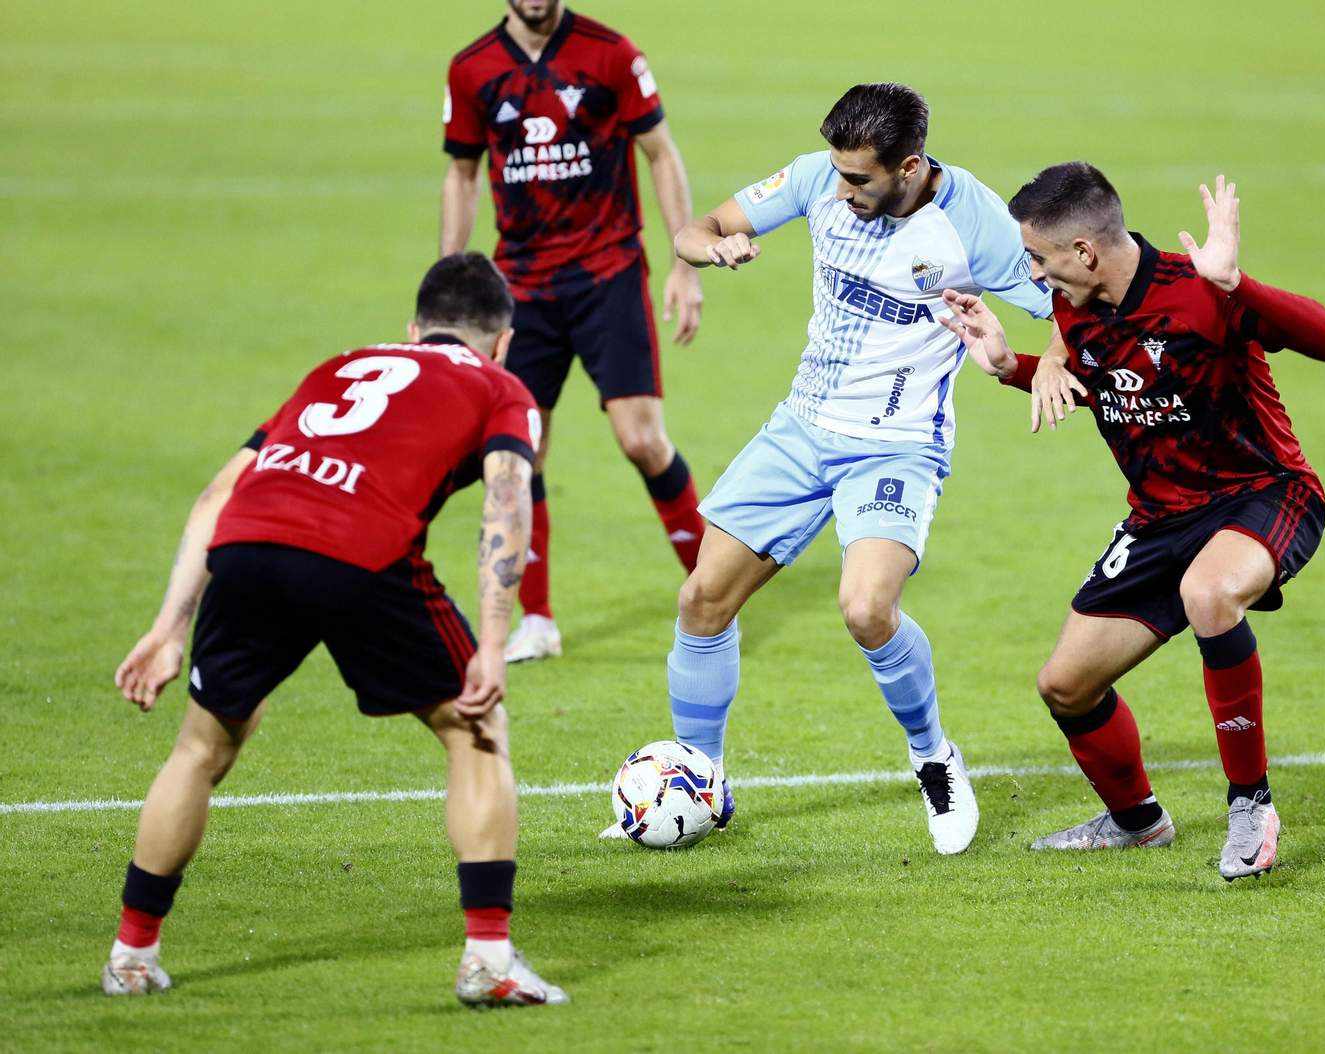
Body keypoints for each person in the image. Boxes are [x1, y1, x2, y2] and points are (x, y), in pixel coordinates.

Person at [102, 254, 567, 1005]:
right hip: (360, 553)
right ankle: (488, 959)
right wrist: (490, 637)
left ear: (413, 330)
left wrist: (167, 626)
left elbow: (221, 490)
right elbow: (508, 501)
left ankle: (131, 954)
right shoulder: (500, 387)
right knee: (474, 730)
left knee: (202, 746)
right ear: (504, 340)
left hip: (249, 545)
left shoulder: (339, 366)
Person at [617, 82, 1057, 855]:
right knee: (702, 600)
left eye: (859, 178)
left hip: (896, 445)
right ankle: (701, 779)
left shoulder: (978, 225)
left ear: (911, 166)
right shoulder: (821, 178)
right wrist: (713, 248)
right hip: (802, 429)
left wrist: (1046, 360)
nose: (840, 187)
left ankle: (935, 758)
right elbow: (700, 226)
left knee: (866, 610)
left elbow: (1077, 306)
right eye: (837, 169)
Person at [940, 164, 1325, 880]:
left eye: (1039, 258)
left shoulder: (1198, 291)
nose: (1033, 275)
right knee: (1065, 685)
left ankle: (1250, 804)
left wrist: (1235, 284)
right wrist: (1011, 367)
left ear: (1084, 252)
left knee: (1209, 594)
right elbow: (1123, 384)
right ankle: (1137, 822)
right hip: (1160, 517)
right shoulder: (1078, 307)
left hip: (1262, 493)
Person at [441, 0, 707, 663]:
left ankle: (712, 592)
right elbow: (462, 173)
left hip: (607, 274)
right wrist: (447, 287)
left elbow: (662, 155)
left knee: (642, 439)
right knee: (519, 451)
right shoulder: (472, 69)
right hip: (521, 289)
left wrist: (684, 264)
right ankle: (538, 620)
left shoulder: (611, 53)